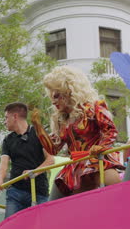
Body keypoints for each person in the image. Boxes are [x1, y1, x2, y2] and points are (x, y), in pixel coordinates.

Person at [31, 66, 124, 197]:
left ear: (69, 92)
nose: (53, 101)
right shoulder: (62, 120)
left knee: (117, 196)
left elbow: (110, 129)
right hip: (77, 169)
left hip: (98, 161)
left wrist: (101, 147)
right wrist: (38, 128)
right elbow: (53, 150)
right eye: (52, 97)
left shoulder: (93, 107)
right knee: (81, 208)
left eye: (57, 96)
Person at [0, 102, 54, 218]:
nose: (5, 121)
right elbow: (4, 164)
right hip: (16, 192)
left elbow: (51, 160)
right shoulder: (7, 140)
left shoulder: (38, 133)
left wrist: (34, 172)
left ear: (14, 116)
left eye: (6, 117)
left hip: (39, 191)